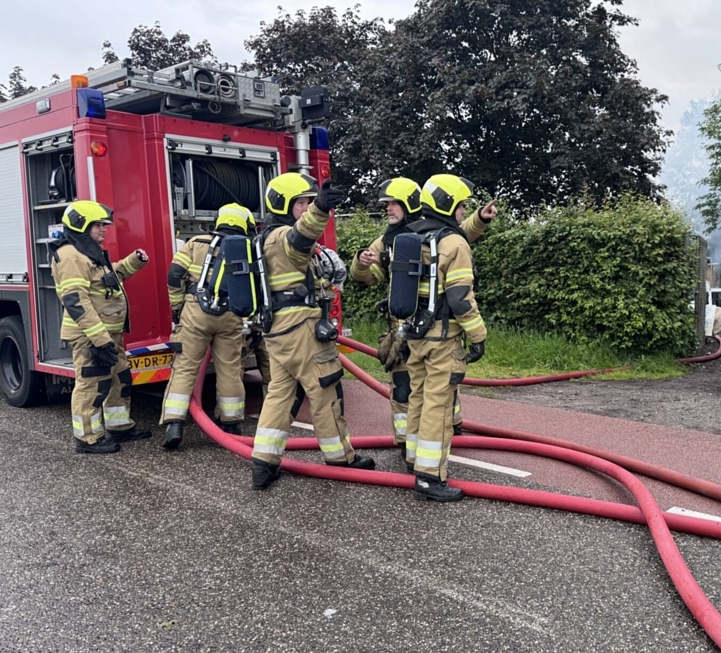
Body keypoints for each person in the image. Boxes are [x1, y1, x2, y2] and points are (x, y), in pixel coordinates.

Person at [351, 178, 497, 464]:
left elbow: (458, 234)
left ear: (409, 204)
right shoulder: (387, 241)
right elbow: (370, 278)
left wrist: (479, 218)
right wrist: (361, 264)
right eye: (387, 205)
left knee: (436, 389)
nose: (389, 210)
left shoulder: (427, 232)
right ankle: (410, 445)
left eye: (393, 204)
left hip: (422, 329)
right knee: (408, 388)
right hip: (404, 328)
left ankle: (446, 429)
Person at [250, 172, 374, 490]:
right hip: (302, 329)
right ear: (283, 205)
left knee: (280, 394)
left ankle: (264, 461)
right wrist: (320, 208)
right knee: (325, 390)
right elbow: (301, 237)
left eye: (308, 202)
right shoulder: (282, 238)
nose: (305, 208)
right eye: (301, 202)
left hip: (278, 331)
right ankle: (340, 458)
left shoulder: (265, 238)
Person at [390, 174, 487, 503]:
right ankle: (430, 478)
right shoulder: (453, 243)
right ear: (448, 206)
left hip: (414, 336)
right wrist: (477, 335)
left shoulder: (411, 236)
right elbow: (460, 297)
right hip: (443, 339)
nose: (463, 213)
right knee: (438, 405)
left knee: (417, 397)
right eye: (461, 207)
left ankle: (415, 459)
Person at [50, 200, 151, 453]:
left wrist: (134, 262)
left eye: (103, 225)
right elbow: (76, 301)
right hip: (91, 336)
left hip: (108, 334)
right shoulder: (71, 256)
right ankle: (88, 439)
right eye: (97, 225)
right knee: (92, 384)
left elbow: (109, 279)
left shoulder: (88, 252)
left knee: (119, 378)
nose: (103, 230)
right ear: (81, 225)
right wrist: (99, 339)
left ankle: (119, 426)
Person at [161, 203, 255, 449]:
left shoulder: (196, 243)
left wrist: (177, 307)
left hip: (195, 312)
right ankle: (231, 424)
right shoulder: (248, 248)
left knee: (185, 367)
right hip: (231, 316)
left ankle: (174, 425)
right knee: (230, 369)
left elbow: (174, 274)